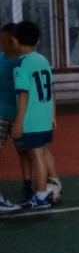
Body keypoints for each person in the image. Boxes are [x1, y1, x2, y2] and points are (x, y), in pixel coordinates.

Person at [10, 20, 56, 210]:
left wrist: (18, 122)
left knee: (36, 155)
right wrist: (53, 115)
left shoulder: (22, 64)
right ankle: (45, 191)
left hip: (32, 119)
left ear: (15, 40)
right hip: (44, 116)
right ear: (38, 40)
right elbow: (51, 89)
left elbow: (24, 94)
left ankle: (41, 195)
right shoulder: (43, 60)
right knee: (41, 153)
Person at [0, 23, 21, 212]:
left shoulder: (24, 62)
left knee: (30, 152)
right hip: (1, 113)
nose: (2, 43)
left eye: (5, 39)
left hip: (18, 115)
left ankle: (37, 186)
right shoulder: (1, 59)